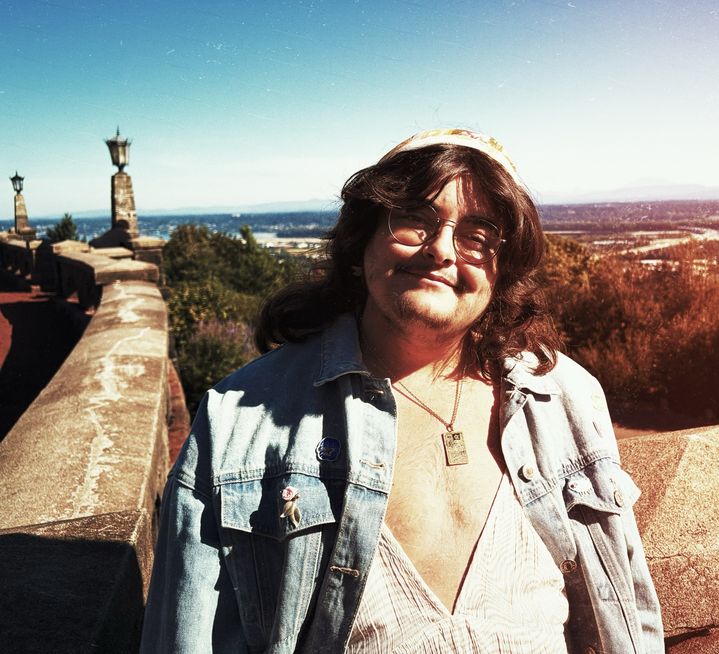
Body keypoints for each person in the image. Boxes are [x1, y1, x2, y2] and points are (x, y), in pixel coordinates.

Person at [141, 129, 663, 653]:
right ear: (361, 237)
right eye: (415, 219)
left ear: (502, 272)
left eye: (478, 236)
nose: (442, 250)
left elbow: (629, 611)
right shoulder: (237, 423)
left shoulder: (564, 397)